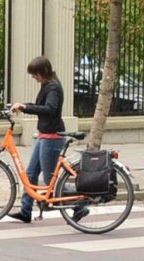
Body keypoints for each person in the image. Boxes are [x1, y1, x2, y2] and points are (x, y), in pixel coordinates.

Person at [8, 56, 89, 223]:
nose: (33, 78)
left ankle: (79, 206)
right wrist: (23, 105)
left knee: (49, 179)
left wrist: (25, 107)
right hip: (44, 136)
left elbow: (49, 109)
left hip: (52, 138)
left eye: (35, 74)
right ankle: (25, 210)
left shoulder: (53, 87)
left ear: (43, 72)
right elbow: (41, 106)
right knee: (30, 174)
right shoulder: (47, 84)